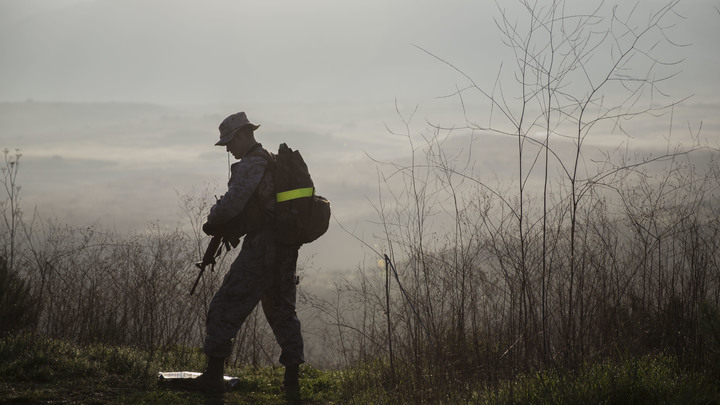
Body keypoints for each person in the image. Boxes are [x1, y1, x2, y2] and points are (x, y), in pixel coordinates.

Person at [192, 112, 304, 400]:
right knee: (282, 312)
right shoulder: (270, 161)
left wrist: (213, 218)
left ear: (242, 134)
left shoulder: (253, 162)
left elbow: (233, 202)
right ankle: (292, 382)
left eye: (230, 143)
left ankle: (214, 376)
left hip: (263, 248)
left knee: (224, 306)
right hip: (284, 247)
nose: (229, 149)